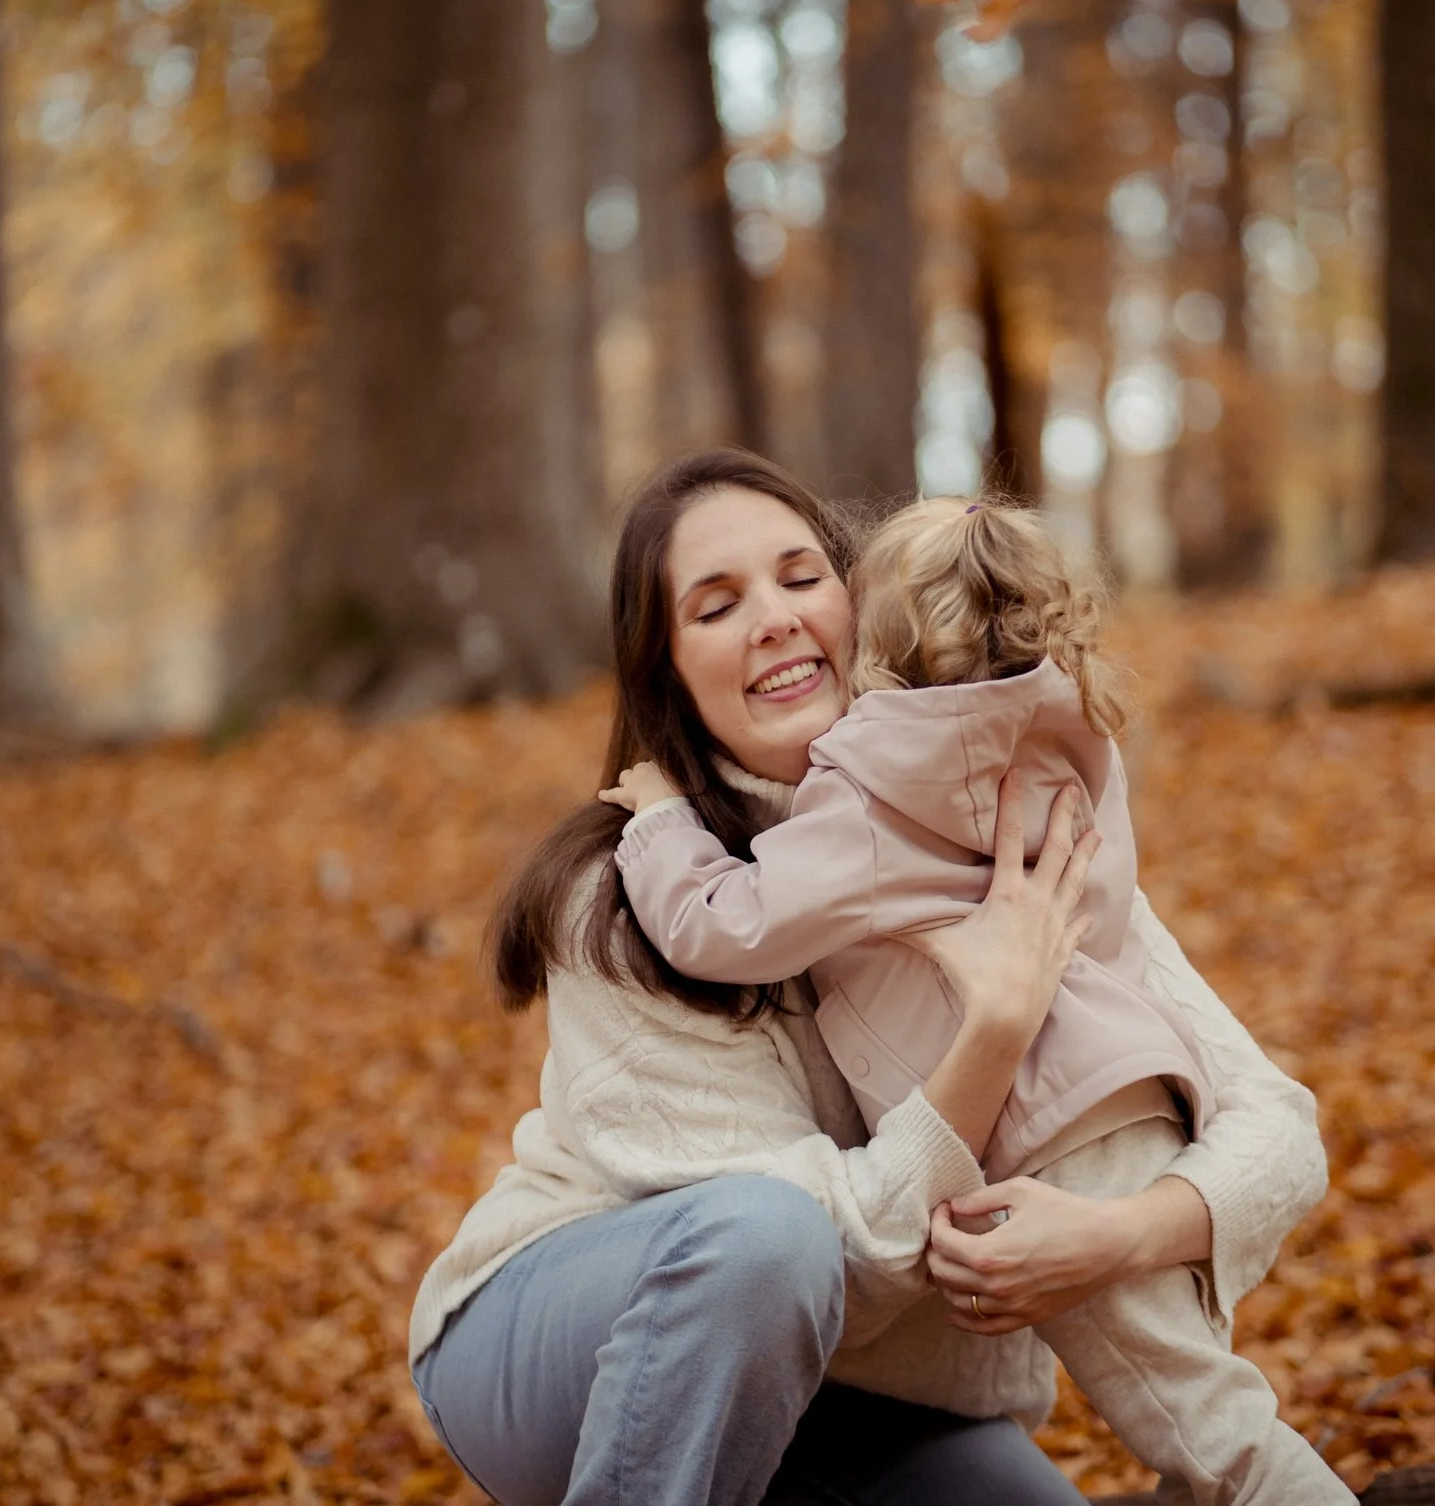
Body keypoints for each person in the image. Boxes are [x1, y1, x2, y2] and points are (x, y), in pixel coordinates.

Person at [407, 450, 1344, 1506]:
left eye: (801, 577)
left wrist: (1113, 1235)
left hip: (858, 1390)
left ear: (867, 609)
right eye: (715, 606)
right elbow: (799, 1257)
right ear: (664, 667)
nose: (771, 616)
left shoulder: (996, 824)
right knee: (766, 1239)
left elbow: (1277, 1123)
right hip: (583, 1333)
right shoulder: (624, 891)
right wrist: (992, 1033)